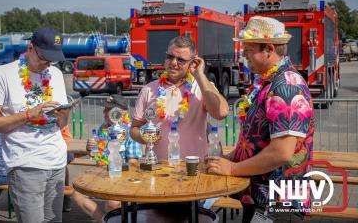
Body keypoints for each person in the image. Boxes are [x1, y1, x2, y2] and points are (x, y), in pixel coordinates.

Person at [206, 16, 314, 223]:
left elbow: (281, 152)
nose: (244, 56)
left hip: (278, 203)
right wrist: (228, 159)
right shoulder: (270, 81)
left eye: (248, 50)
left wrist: (233, 169)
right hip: (262, 200)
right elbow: (259, 141)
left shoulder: (286, 85)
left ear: (269, 49)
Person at [0, 27, 71, 223]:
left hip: (57, 162)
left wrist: (65, 115)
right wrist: (29, 114)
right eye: (44, 57)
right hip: (25, 165)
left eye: (52, 59)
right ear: (31, 48)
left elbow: (60, 126)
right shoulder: (3, 74)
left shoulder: (55, 74)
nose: (47, 63)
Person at [130, 36, 229, 161]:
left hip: (194, 167)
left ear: (193, 62)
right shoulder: (148, 89)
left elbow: (222, 112)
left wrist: (200, 75)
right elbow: (134, 129)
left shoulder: (202, 87)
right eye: (170, 57)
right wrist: (145, 137)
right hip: (159, 169)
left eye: (181, 60)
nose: (173, 63)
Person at [72, 95, 143, 222]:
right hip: (101, 173)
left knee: (112, 204)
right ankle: (103, 220)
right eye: (105, 109)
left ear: (121, 112)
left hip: (122, 176)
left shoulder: (129, 130)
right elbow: (98, 156)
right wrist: (90, 148)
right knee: (77, 195)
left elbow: (133, 162)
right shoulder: (103, 127)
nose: (104, 112)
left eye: (108, 109)